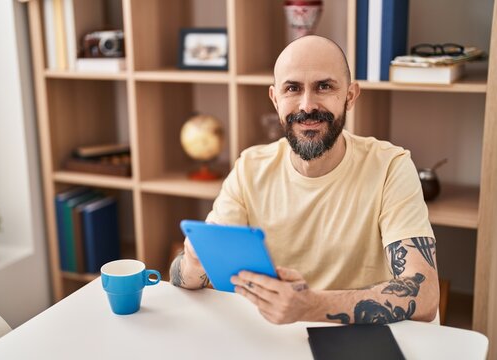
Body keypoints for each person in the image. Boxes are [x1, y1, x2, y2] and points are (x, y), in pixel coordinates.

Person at [170, 35, 439, 325]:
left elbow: (425, 295)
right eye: (292, 89)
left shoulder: (391, 166)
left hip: (359, 337)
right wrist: (193, 263)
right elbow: (187, 276)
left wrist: (311, 306)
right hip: (270, 336)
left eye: (324, 86)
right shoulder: (250, 166)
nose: (307, 105)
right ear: (275, 99)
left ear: (350, 95)